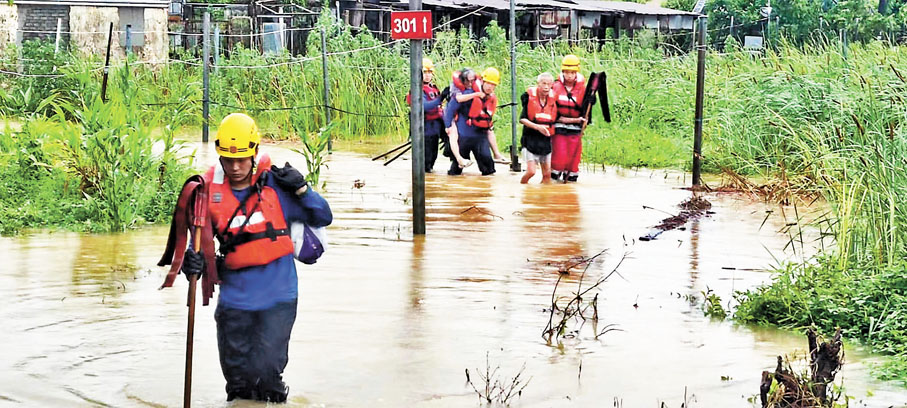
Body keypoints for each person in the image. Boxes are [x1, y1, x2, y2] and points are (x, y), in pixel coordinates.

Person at [180, 113, 333, 403]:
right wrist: (192, 262)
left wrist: (302, 189)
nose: (235, 167)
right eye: (228, 160)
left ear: (254, 152)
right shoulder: (208, 192)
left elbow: (324, 216)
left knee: (267, 378)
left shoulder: (278, 186)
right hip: (234, 300)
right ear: (219, 155)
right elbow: (198, 245)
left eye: (241, 159)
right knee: (238, 384)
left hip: (278, 296)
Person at [443, 67, 501, 176]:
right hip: (463, 136)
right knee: (455, 172)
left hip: (479, 136)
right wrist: (448, 126)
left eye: (493, 85)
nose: (490, 87)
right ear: (482, 81)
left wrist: (496, 152)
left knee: (489, 169)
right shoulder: (468, 94)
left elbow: (488, 122)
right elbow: (450, 108)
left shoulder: (491, 99)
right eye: (488, 83)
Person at [406, 57, 450, 172]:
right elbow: (424, 106)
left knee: (435, 154)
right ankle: (425, 176)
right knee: (427, 159)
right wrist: (441, 98)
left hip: (436, 125)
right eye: (425, 72)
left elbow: (438, 107)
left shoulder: (432, 88)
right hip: (425, 127)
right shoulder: (417, 89)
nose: (427, 75)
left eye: (430, 72)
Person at [551, 54, 590, 183]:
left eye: (572, 73)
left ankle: (571, 179)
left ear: (576, 73)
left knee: (573, 159)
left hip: (576, 128)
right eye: (567, 72)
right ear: (563, 72)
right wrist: (563, 120)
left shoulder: (583, 89)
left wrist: (584, 120)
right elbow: (551, 109)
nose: (569, 75)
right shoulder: (555, 87)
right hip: (559, 127)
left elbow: (587, 110)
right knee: (559, 156)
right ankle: (554, 180)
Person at [519, 73, 557, 184]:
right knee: (531, 172)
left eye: (549, 84)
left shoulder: (554, 100)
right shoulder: (529, 98)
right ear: (538, 84)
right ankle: (522, 188)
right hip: (530, 140)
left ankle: (543, 194)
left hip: (545, 142)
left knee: (547, 175)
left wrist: (577, 120)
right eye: (543, 83)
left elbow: (559, 118)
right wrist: (538, 127)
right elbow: (522, 119)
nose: (546, 87)